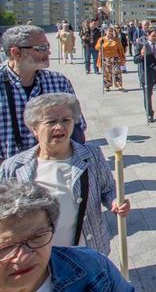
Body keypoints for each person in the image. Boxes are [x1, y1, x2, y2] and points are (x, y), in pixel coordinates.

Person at [0, 93, 131, 255]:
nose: (59, 126)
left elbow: (108, 188)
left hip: (88, 253)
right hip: (39, 259)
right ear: (34, 128)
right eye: (51, 121)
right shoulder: (14, 167)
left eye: (66, 120)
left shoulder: (92, 155)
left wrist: (116, 201)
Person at [0, 180, 134, 291]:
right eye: (6, 246)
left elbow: (108, 187)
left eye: (37, 237)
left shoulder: (93, 266)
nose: (23, 257)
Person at [1, 25, 87, 162]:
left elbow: (78, 125)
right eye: (41, 48)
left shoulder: (58, 82)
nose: (48, 52)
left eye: (47, 46)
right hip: (9, 172)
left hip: (55, 167)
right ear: (16, 52)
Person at [95, 26, 126, 92]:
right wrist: (101, 45)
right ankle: (107, 86)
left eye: (111, 31)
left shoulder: (116, 39)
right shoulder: (102, 39)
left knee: (117, 71)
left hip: (115, 57)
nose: (110, 33)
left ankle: (119, 85)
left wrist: (122, 57)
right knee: (107, 72)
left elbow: (120, 49)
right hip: (106, 58)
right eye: (109, 31)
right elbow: (97, 47)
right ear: (106, 32)